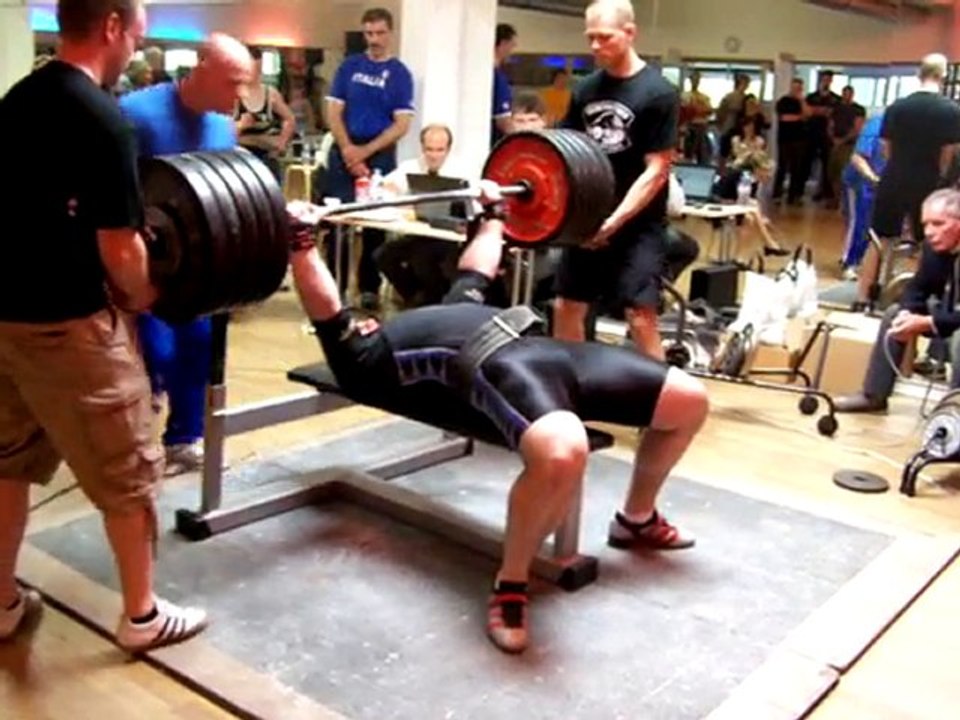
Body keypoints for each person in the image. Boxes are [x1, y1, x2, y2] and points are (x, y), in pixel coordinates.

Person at [286, 185, 708, 655]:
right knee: (565, 450)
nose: (366, 320)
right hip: (497, 364)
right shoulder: (365, 362)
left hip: (551, 351)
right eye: (358, 321)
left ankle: (636, 518)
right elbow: (326, 312)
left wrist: (494, 212)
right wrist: (301, 245)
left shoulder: (449, 306)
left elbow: (476, 269)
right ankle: (511, 583)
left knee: (688, 398)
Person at [0, 0, 206, 651]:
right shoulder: (105, 122)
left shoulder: (19, 98)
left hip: (7, 320)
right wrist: (146, 296)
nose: (132, 51)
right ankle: (141, 616)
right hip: (71, 326)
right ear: (113, 27)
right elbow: (121, 249)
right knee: (129, 473)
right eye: (136, 35)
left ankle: (1, 601)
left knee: (7, 461)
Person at [119, 34, 254, 475]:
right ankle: (133, 434)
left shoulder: (222, 127)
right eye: (232, 83)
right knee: (156, 351)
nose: (239, 96)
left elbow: (232, 196)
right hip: (145, 261)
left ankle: (183, 440)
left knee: (197, 347)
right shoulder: (137, 114)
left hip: (200, 266)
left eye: (244, 85)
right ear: (201, 67)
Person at [554, 0, 679, 360]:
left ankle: (659, 409)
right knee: (567, 306)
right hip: (588, 218)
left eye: (604, 38)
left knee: (639, 317)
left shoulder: (659, 93)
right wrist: (575, 219)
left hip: (637, 224)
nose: (595, 46)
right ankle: (569, 391)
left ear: (630, 33)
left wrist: (611, 224)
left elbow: (656, 170)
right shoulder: (585, 89)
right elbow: (566, 153)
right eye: (590, 38)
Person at [834, 189, 960, 413]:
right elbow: (917, 288)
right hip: (949, 312)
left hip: (955, 321)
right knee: (894, 314)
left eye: (939, 224)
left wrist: (928, 322)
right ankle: (874, 395)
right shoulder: (933, 248)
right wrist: (908, 312)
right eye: (926, 224)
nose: (929, 232)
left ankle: (954, 410)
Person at [325, 6, 415, 311]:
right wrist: (349, 150)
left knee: (376, 224)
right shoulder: (349, 67)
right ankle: (332, 290)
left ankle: (368, 288)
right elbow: (334, 112)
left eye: (379, 33)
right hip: (345, 149)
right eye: (369, 33)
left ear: (390, 34)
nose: (374, 39)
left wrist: (365, 153)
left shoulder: (400, 74)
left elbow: (401, 124)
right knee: (337, 222)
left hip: (379, 155)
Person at [854, 54, 960, 310]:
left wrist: (896, 168)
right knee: (929, 241)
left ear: (918, 74)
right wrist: (942, 181)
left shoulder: (896, 107)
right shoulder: (951, 110)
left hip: (894, 176)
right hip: (927, 180)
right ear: (942, 75)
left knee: (880, 239)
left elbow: (886, 148)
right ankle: (919, 299)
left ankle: (862, 298)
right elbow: (948, 154)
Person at [235, 46, 296, 182]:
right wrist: (241, 125)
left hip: (266, 157)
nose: (253, 75)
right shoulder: (231, 95)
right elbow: (222, 135)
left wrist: (282, 142)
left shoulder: (271, 94)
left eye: (257, 70)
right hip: (239, 158)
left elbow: (290, 119)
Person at [840, 111, 886, 281]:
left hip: (881, 183)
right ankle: (849, 262)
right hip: (859, 181)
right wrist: (872, 177)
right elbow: (857, 157)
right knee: (858, 222)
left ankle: (863, 261)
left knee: (874, 225)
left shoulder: (908, 129)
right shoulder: (876, 124)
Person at [491, 23, 518, 145]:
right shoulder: (497, 77)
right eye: (512, 45)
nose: (512, 51)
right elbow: (503, 121)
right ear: (503, 44)